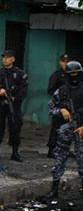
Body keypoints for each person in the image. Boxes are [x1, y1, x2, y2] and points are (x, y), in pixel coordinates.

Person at [46, 61, 83, 198]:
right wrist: (61, 110)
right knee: (59, 159)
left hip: (81, 130)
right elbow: (50, 108)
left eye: (76, 73)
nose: (74, 76)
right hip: (65, 130)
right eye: (71, 73)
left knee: (82, 160)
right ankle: (54, 189)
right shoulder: (61, 91)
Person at [0, 49, 28, 162]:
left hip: (14, 105)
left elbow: (24, 89)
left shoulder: (20, 74)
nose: (5, 59)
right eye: (3, 57)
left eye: (8, 57)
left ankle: (15, 152)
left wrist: (15, 98)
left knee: (15, 128)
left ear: (13, 59)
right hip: (0, 105)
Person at [47, 54, 70, 158]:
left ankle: (65, 149)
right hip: (60, 105)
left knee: (69, 129)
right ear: (60, 62)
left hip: (71, 105)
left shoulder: (73, 74)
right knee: (56, 128)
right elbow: (50, 90)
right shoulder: (56, 75)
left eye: (67, 61)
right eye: (63, 61)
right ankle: (51, 149)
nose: (65, 63)